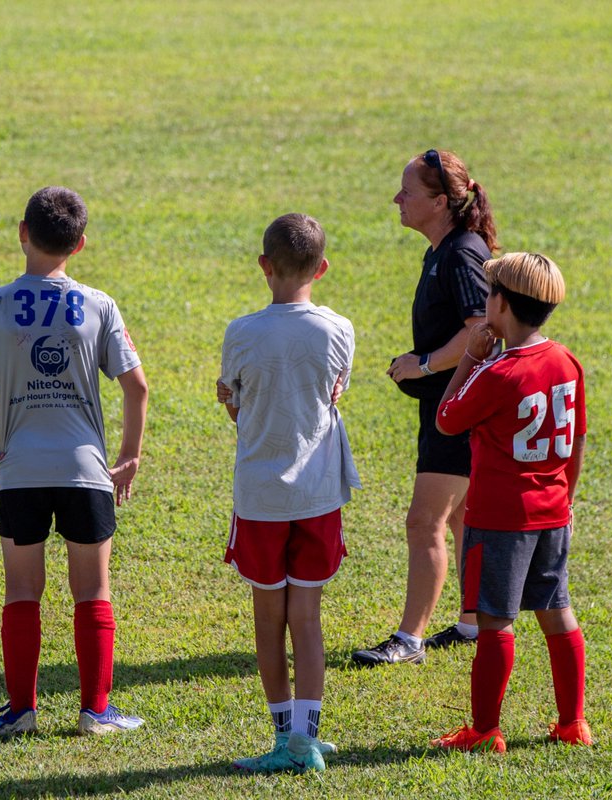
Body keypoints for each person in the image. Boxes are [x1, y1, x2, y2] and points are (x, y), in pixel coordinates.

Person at [0, 186, 149, 737]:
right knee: (92, 592)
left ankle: (21, 710)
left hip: (19, 471)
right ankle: (95, 712)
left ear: (22, 233)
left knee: (22, 592)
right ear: (79, 245)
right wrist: (128, 456)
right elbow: (137, 386)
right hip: (86, 471)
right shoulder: (99, 305)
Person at [431, 252, 591, 752]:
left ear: (500, 303)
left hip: (501, 517)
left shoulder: (498, 372)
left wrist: (471, 360)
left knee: (495, 621)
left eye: (487, 296)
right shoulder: (566, 360)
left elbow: (447, 419)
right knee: (557, 611)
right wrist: (566, 498)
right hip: (553, 512)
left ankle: (483, 731)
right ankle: (572, 724)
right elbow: (578, 439)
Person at [217, 214, 359, 774]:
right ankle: (306, 737)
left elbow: (237, 405)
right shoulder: (339, 328)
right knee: (308, 618)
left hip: (260, 497)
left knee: (267, 617)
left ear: (264, 266)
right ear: (321, 269)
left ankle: (281, 738)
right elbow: (333, 391)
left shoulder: (242, 331)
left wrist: (233, 401)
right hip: (319, 494)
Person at [352, 149, 499, 667]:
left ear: (440, 201)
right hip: (452, 403)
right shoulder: (446, 248)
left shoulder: (460, 254)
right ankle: (472, 625)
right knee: (460, 518)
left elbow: (481, 329)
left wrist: (426, 363)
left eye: (408, 192)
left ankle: (408, 640)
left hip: (457, 408)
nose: (397, 199)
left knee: (424, 522)